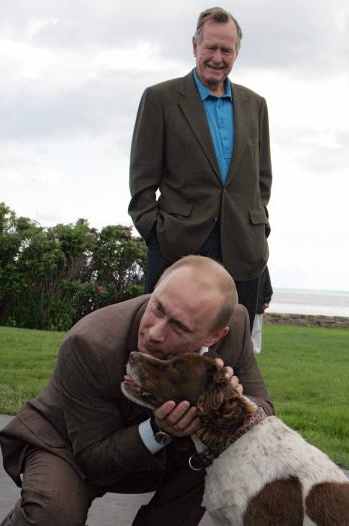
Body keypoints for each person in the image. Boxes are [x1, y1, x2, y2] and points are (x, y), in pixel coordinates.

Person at [0, 256, 274, 526]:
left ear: (214, 334)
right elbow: (94, 461)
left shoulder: (234, 326)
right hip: (69, 444)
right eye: (157, 308)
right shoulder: (89, 342)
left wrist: (236, 400)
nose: (155, 332)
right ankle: (19, 523)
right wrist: (160, 430)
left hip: (159, 448)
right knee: (52, 517)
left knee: (223, 452)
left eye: (179, 327)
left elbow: (264, 412)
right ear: (154, 290)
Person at [128, 6, 272, 330]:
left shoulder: (256, 106)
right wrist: (157, 234)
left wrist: (257, 233)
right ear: (194, 45)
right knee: (166, 350)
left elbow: (261, 183)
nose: (217, 57)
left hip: (242, 251)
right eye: (211, 47)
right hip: (177, 247)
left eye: (227, 50)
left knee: (232, 353)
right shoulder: (160, 99)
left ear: (237, 52)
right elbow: (141, 183)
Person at [251, 266, 273, 353]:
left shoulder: (263, 267)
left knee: (256, 328)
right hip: (246, 302)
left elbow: (267, 283)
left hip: (258, 303)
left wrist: (267, 300)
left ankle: (255, 349)